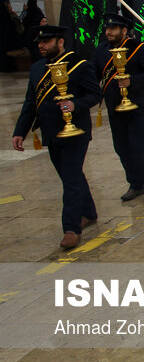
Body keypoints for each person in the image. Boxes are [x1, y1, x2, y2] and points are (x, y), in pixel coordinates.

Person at [12, 25, 102, 248]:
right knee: (70, 176)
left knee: (70, 180)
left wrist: (75, 104)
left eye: (47, 42)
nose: (41, 46)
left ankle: (71, 228)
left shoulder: (79, 66)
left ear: (60, 42)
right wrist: (19, 132)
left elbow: (95, 94)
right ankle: (89, 212)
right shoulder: (36, 69)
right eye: (40, 43)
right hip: (51, 133)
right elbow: (30, 103)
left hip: (76, 132)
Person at [93, 13, 144, 203]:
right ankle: (135, 184)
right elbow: (95, 74)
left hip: (136, 104)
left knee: (139, 145)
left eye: (113, 29)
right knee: (121, 146)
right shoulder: (101, 51)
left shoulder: (138, 48)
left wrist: (132, 80)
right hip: (114, 106)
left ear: (124, 30)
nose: (109, 32)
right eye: (107, 29)